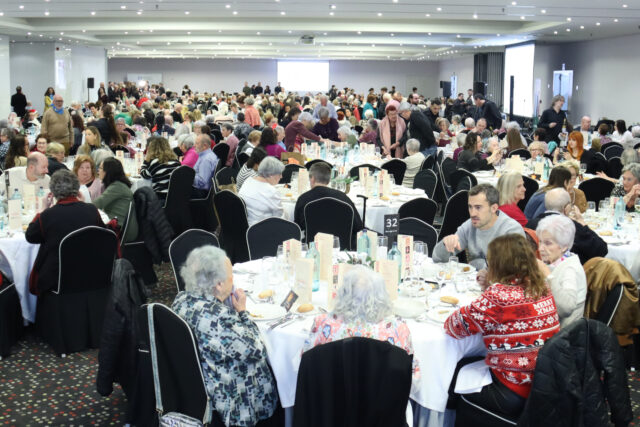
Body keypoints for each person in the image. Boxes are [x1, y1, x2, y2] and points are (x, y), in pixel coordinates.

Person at [445, 234, 560, 420]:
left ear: (497, 264)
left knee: (451, 373)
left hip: (513, 389)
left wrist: (489, 290)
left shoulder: (499, 296)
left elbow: (454, 327)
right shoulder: (542, 288)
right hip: (544, 384)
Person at [172, 245, 279, 426]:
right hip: (229, 397)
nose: (233, 280)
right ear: (219, 284)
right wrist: (242, 312)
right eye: (231, 276)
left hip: (195, 384)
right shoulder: (219, 318)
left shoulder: (180, 300)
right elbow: (258, 349)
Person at [303, 265, 414, 357]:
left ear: (344, 293)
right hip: (382, 378)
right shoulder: (399, 330)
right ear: (382, 296)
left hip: (331, 378)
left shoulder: (322, 324)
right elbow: (411, 371)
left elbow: (306, 363)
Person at [25, 170, 105, 295]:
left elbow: (30, 236)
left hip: (57, 277)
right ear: (77, 189)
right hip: (90, 272)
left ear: (52, 192)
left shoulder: (47, 216)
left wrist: (43, 210)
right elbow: (103, 234)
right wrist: (83, 203)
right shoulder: (91, 210)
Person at [433, 184, 524, 275]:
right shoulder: (469, 225)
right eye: (470, 207)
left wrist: (477, 264)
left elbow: (513, 270)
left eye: (478, 207)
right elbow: (437, 259)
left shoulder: (511, 230)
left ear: (494, 208)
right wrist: (445, 245)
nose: (472, 213)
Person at [527, 187, 607, 265]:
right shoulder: (571, 227)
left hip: (535, 268)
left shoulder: (530, 224)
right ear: (566, 207)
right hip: (567, 269)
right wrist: (583, 224)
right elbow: (602, 250)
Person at [535, 214, 587, 328]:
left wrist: (547, 275)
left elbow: (566, 308)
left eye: (548, 243)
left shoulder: (570, 269)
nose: (541, 248)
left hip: (563, 334)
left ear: (564, 246)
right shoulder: (553, 262)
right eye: (540, 242)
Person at [293, 162, 363, 238]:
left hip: (312, 243)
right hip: (341, 244)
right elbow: (357, 227)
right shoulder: (343, 198)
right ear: (329, 180)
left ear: (312, 179)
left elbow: (298, 227)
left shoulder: (303, 199)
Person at [92, 158, 138, 243]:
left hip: (122, 230)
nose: (98, 170)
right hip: (121, 226)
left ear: (108, 172)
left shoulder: (117, 187)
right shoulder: (118, 184)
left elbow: (96, 204)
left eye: (101, 168)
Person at [238, 157, 284, 226]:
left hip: (244, 223)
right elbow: (279, 216)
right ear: (271, 175)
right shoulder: (272, 191)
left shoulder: (248, 180)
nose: (281, 177)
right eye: (279, 174)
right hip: (261, 227)